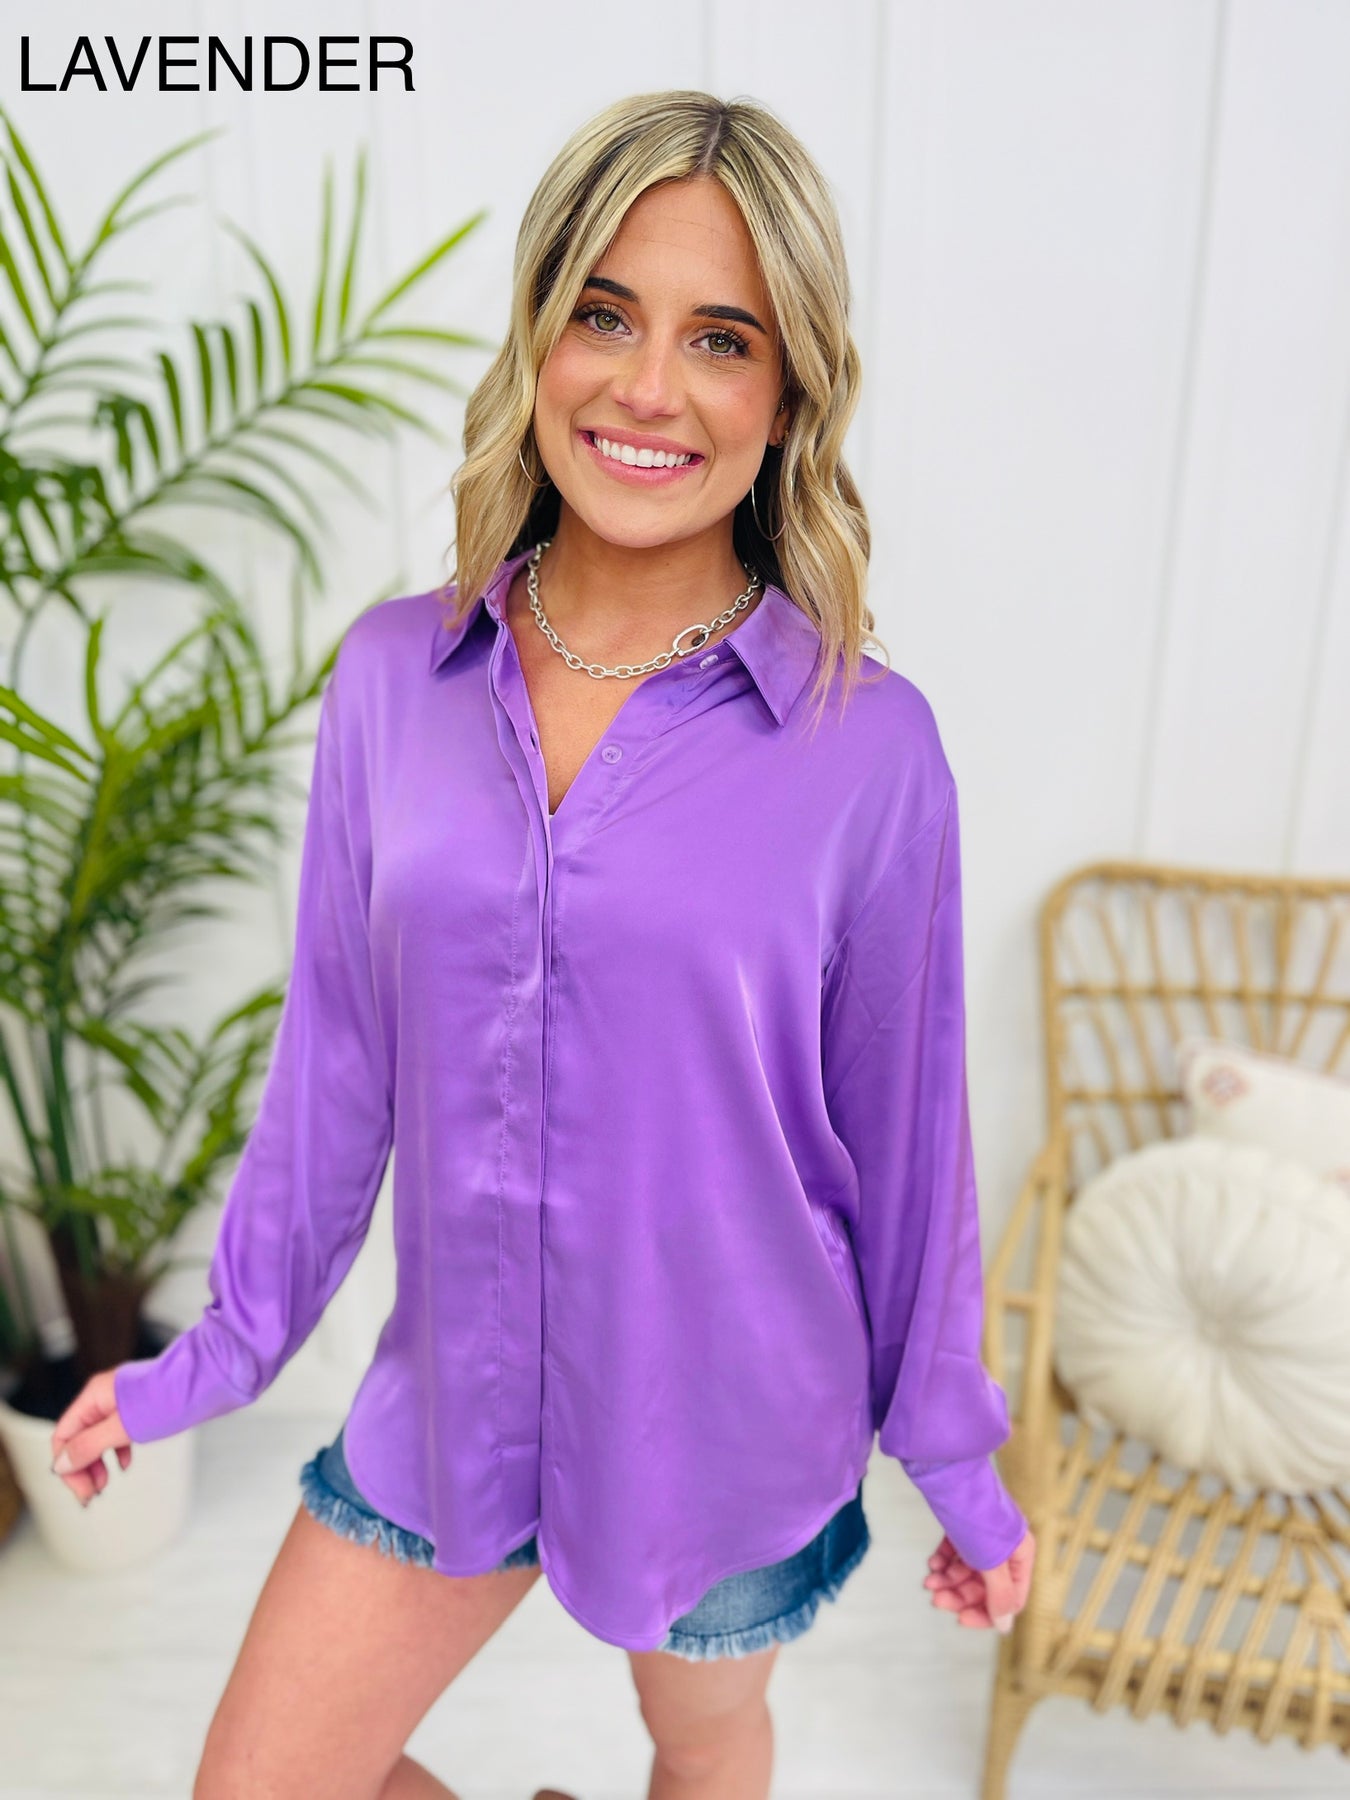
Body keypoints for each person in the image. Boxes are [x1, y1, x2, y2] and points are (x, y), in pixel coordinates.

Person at [49, 89, 1035, 1800]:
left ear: (787, 393)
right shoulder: (391, 678)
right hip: (457, 1399)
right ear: (537, 335)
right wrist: (210, 1360)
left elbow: (908, 1147)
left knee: (701, 1755)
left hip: (734, 1421)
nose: (648, 387)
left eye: (719, 339)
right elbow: (334, 1067)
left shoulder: (867, 749)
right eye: (603, 314)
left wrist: (956, 1461)